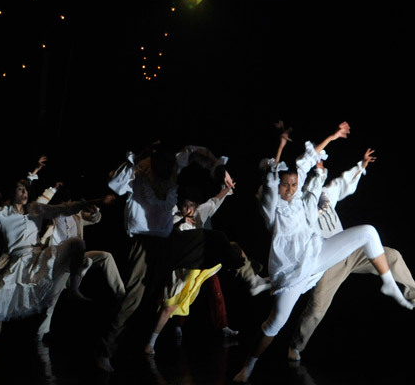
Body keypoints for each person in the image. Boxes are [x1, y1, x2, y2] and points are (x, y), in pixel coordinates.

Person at [232, 121, 414, 383]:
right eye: (287, 185)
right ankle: (251, 364)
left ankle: (396, 287)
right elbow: (275, 178)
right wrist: (281, 146)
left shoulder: (312, 192)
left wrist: (335, 138)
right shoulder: (280, 205)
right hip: (295, 269)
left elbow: (319, 166)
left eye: (294, 184)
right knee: (282, 321)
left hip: (324, 252)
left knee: (372, 237)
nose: (291, 189)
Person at [99, 142, 261, 372]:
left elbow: (196, 152)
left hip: (170, 242)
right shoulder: (138, 172)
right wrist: (136, 159)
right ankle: (105, 351)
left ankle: (251, 277)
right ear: (153, 164)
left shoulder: (174, 164)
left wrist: (219, 168)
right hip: (144, 244)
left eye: (171, 169)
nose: (170, 174)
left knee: (214, 238)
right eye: (163, 170)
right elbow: (114, 184)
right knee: (134, 300)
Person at [286, 150, 415, 361]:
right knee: (317, 308)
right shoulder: (296, 208)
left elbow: (341, 184)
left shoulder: (324, 193)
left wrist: (362, 166)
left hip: (350, 250)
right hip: (328, 260)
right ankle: (296, 347)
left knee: (392, 256)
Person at [0, 170, 108, 364]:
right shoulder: (2, 214)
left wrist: (89, 202)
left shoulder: (36, 209)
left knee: (77, 244)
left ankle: (74, 288)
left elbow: (62, 208)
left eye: (26, 189)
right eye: (20, 189)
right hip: (15, 263)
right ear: (12, 193)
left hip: (38, 259)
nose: (24, 193)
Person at [144, 185, 270, 355]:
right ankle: (151, 342)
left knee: (231, 245)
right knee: (169, 306)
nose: (188, 209)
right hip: (184, 265)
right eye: (185, 206)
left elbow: (214, 202)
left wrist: (227, 188)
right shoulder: (174, 217)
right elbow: (167, 233)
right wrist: (181, 221)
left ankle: (252, 278)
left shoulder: (199, 214)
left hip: (201, 263)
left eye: (191, 206)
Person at [35, 181, 126, 343]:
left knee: (105, 256)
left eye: (69, 202)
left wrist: (94, 212)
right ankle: (40, 334)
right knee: (52, 299)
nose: (68, 205)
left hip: (77, 257)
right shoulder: (52, 218)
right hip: (59, 261)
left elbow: (95, 219)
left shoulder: (78, 216)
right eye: (64, 203)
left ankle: (122, 295)